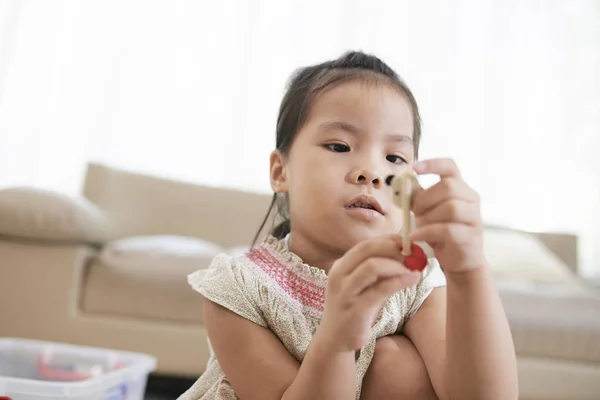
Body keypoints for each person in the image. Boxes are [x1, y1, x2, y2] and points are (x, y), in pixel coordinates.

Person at [178, 51, 518, 400]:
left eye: (394, 158)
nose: (371, 171)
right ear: (281, 172)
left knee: (396, 364)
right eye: (340, 146)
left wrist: (469, 271)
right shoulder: (239, 287)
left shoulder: (413, 283)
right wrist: (338, 338)